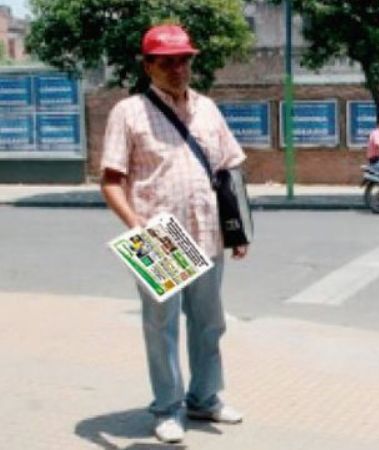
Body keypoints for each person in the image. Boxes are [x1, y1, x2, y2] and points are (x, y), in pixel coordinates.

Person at [100, 24, 247, 444]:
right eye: (167, 61)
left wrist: (239, 230)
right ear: (148, 65)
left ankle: (204, 397)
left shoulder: (207, 108)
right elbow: (111, 180)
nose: (178, 68)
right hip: (158, 237)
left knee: (209, 322)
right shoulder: (128, 112)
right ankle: (167, 407)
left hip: (208, 233)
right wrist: (135, 225)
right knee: (161, 326)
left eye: (184, 59)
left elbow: (228, 172)